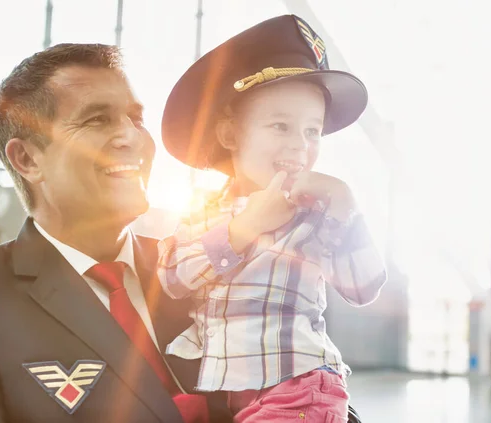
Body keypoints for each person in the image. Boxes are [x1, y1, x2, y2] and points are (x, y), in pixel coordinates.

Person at [0, 43, 231, 423]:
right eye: (97, 120)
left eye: (135, 118)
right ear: (28, 159)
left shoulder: (201, 270)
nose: (131, 138)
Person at [158, 15, 387, 423]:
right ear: (230, 136)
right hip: (226, 395)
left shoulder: (314, 214)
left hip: (299, 389)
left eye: (312, 131)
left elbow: (363, 285)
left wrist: (345, 203)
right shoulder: (201, 213)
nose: (299, 146)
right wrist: (245, 227)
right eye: (280, 126)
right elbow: (173, 278)